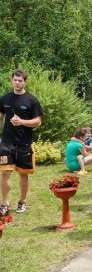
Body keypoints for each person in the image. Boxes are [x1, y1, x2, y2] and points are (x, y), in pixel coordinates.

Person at [0, 69, 42, 216]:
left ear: (25, 82)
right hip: (6, 143)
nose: (17, 83)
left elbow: (38, 121)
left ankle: (22, 201)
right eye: (15, 80)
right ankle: (4, 203)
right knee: (5, 173)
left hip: (24, 143)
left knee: (23, 174)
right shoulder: (4, 99)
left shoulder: (31, 100)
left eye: (20, 80)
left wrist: (22, 122)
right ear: (12, 81)